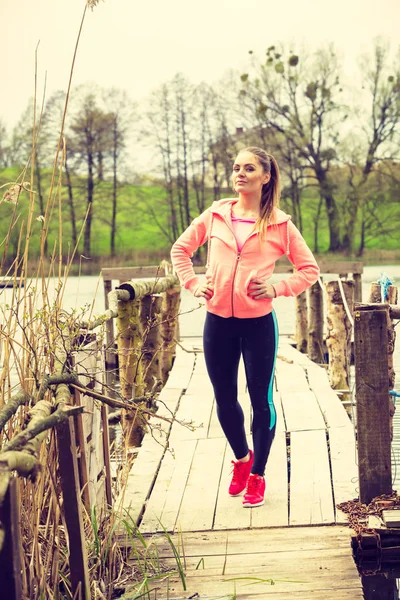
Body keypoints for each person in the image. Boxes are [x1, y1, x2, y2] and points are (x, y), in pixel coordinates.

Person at [170, 146, 319, 508]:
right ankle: (241, 459)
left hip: (258, 326)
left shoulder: (281, 224)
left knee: (261, 401)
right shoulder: (216, 214)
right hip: (217, 321)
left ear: (265, 177)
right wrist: (193, 284)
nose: (239, 173)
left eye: (248, 168)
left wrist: (277, 287)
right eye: (236, 167)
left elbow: (309, 270)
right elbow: (180, 250)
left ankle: (258, 475)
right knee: (223, 398)